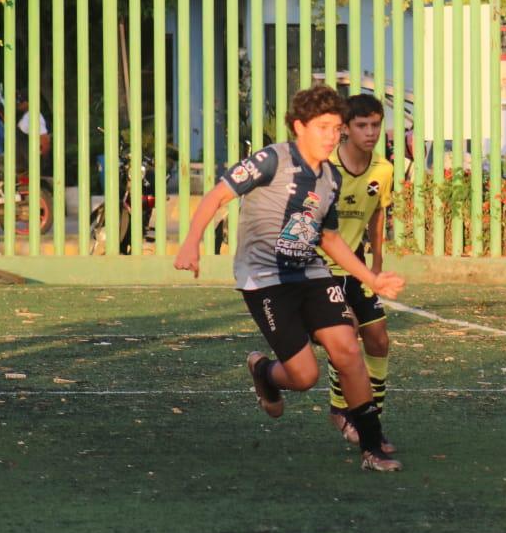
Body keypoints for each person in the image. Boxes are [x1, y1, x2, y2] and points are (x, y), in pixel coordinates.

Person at [174, 86, 407, 473]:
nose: (332, 136)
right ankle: (264, 372)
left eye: (336, 128)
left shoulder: (329, 177)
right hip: (265, 279)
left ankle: (372, 448)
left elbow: (329, 238)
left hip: (311, 273)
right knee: (304, 377)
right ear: (299, 126)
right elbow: (217, 195)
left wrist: (373, 279)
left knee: (349, 350)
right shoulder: (271, 160)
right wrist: (191, 242)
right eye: (323, 128)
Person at [321, 95, 398, 454]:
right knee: (347, 331)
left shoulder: (383, 169)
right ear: (346, 129)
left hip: (357, 265)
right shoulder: (325, 167)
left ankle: (373, 420)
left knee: (379, 339)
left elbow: (377, 213)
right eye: (362, 126)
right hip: (320, 266)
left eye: (375, 125)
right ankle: (342, 411)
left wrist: (377, 261)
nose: (370, 133)